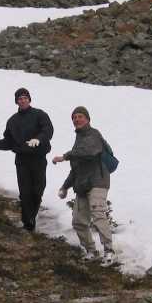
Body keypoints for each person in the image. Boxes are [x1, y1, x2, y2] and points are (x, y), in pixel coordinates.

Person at [0, 88, 53, 231]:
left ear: (29, 99)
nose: (23, 100)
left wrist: (38, 139)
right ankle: (28, 223)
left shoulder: (40, 115)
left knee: (37, 191)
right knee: (25, 193)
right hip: (22, 160)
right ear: (16, 102)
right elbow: (9, 142)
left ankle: (30, 217)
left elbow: (48, 130)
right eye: (20, 98)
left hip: (38, 159)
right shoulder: (12, 121)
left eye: (25, 98)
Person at [53, 106, 114, 263]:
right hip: (82, 184)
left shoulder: (94, 134)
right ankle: (91, 251)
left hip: (97, 181)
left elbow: (89, 151)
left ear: (87, 119)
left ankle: (109, 251)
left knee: (98, 215)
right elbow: (76, 169)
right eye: (74, 117)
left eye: (80, 116)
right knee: (78, 221)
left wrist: (65, 156)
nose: (77, 119)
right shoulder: (78, 140)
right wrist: (65, 187)